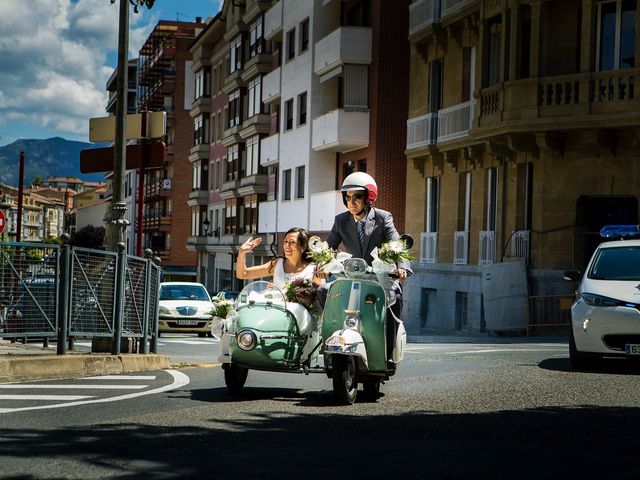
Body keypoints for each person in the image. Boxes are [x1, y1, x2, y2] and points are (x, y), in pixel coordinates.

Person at [326, 172, 412, 370]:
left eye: (356, 196)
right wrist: (321, 265)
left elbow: (397, 243)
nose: (351, 201)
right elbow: (329, 246)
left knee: (394, 300)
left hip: (379, 278)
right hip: (351, 276)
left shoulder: (383, 218)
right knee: (324, 292)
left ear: (369, 197)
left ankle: (388, 353)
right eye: (347, 197)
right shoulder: (340, 220)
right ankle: (329, 343)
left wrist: (402, 268)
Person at [236, 227, 320, 288]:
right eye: (285, 242)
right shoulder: (277, 264)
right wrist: (242, 252)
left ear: (303, 247)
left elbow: (317, 296)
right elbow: (242, 274)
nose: (287, 246)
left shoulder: (314, 269)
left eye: (292, 242)